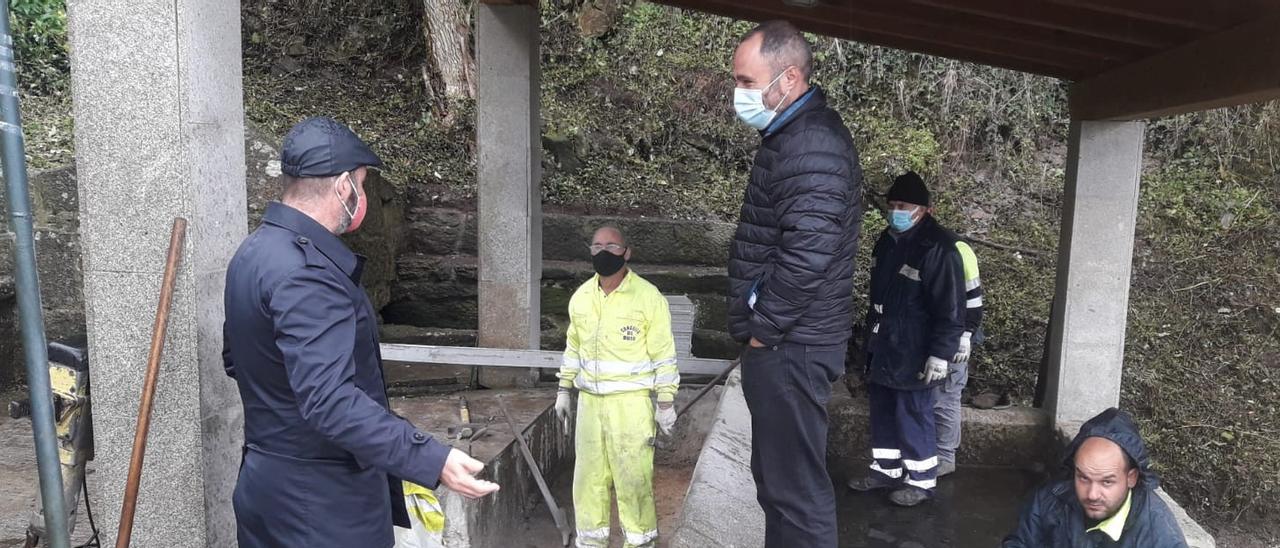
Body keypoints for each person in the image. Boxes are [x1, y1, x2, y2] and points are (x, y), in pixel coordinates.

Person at [223, 117, 499, 548]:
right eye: (363, 184)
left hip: (266, 483)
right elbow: (329, 400)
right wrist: (431, 457)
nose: (363, 195)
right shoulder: (307, 275)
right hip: (323, 504)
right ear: (343, 188)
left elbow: (237, 358)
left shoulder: (254, 251)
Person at [726, 20, 863, 547]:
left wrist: (764, 329)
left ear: (787, 78)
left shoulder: (814, 144)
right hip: (789, 341)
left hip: (792, 344)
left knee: (797, 492)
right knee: (777, 484)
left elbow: (808, 255)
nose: (738, 93)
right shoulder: (792, 137)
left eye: (745, 81)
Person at [555, 226, 680, 548]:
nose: (604, 252)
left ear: (627, 252)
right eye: (597, 246)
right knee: (588, 480)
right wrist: (564, 391)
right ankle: (590, 542)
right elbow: (573, 348)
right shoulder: (581, 296)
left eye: (612, 246)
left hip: (630, 404)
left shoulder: (648, 297)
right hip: (590, 403)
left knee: (633, 479)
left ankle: (640, 542)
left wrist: (665, 402)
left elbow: (664, 354)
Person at [847, 171, 966, 507]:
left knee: (913, 414)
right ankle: (885, 469)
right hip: (884, 344)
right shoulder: (887, 240)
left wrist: (940, 354)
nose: (897, 211)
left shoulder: (939, 248)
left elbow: (950, 309)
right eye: (893, 204)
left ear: (924, 209)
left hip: (916, 348)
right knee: (882, 411)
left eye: (904, 206)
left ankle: (921, 479)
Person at [1004, 408, 1189, 547]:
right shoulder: (1050, 500)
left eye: (1107, 482)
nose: (1092, 494)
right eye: (1083, 478)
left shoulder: (1159, 534)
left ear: (1131, 478)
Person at [935, 200, 984, 478]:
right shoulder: (926, 247)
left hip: (957, 333)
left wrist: (966, 333)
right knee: (931, 394)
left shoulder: (958, 249)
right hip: (936, 331)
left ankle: (945, 455)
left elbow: (973, 298)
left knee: (946, 395)